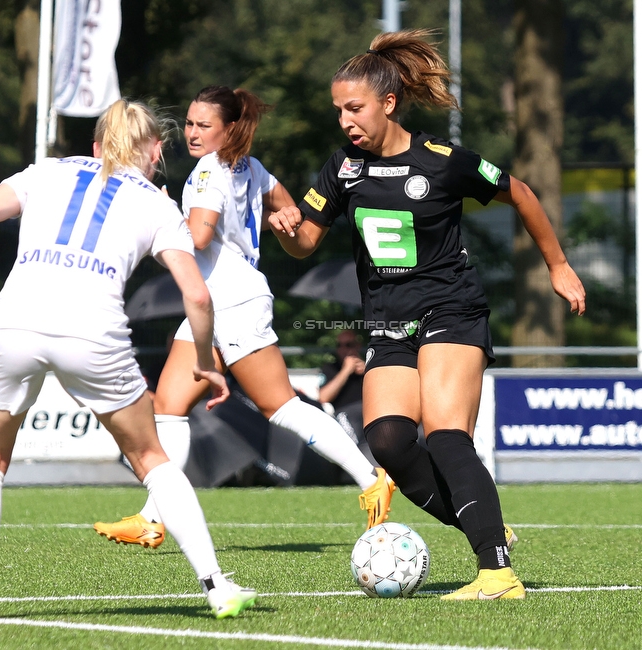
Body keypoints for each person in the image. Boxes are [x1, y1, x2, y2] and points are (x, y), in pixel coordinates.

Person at [268, 30, 586, 600]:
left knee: (445, 435)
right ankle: (483, 525)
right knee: (388, 441)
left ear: (388, 104)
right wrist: (289, 230)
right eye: (338, 109)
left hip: (452, 310)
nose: (345, 120)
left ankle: (496, 572)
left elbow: (522, 194)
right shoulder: (341, 167)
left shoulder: (442, 162)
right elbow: (306, 242)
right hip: (388, 322)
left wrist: (557, 267)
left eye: (355, 108)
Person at [0, 99, 257, 622]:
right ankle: (218, 587)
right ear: (155, 150)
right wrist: (204, 361)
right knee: (151, 459)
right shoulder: (158, 203)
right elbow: (197, 296)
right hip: (93, 331)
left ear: (95, 146)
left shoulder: (45, 171)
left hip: (15, 321)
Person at [93, 86, 393, 548]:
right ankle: (153, 518)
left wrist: (159, 207)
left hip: (231, 302)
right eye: (190, 123)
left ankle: (371, 478)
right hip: (212, 303)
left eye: (203, 125)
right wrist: (289, 211)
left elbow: (195, 236)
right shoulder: (247, 166)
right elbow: (284, 199)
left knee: (283, 408)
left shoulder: (210, 172)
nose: (192, 133)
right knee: (169, 410)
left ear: (228, 129)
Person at [319, 329, 365, 411]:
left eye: (348, 345)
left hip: (367, 410)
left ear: (358, 346)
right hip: (344, 413)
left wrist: (368, 372)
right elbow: (323, 398)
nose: (343, 349)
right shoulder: (330, 368)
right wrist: (346, 371)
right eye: (339, 345)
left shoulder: (368, 367)